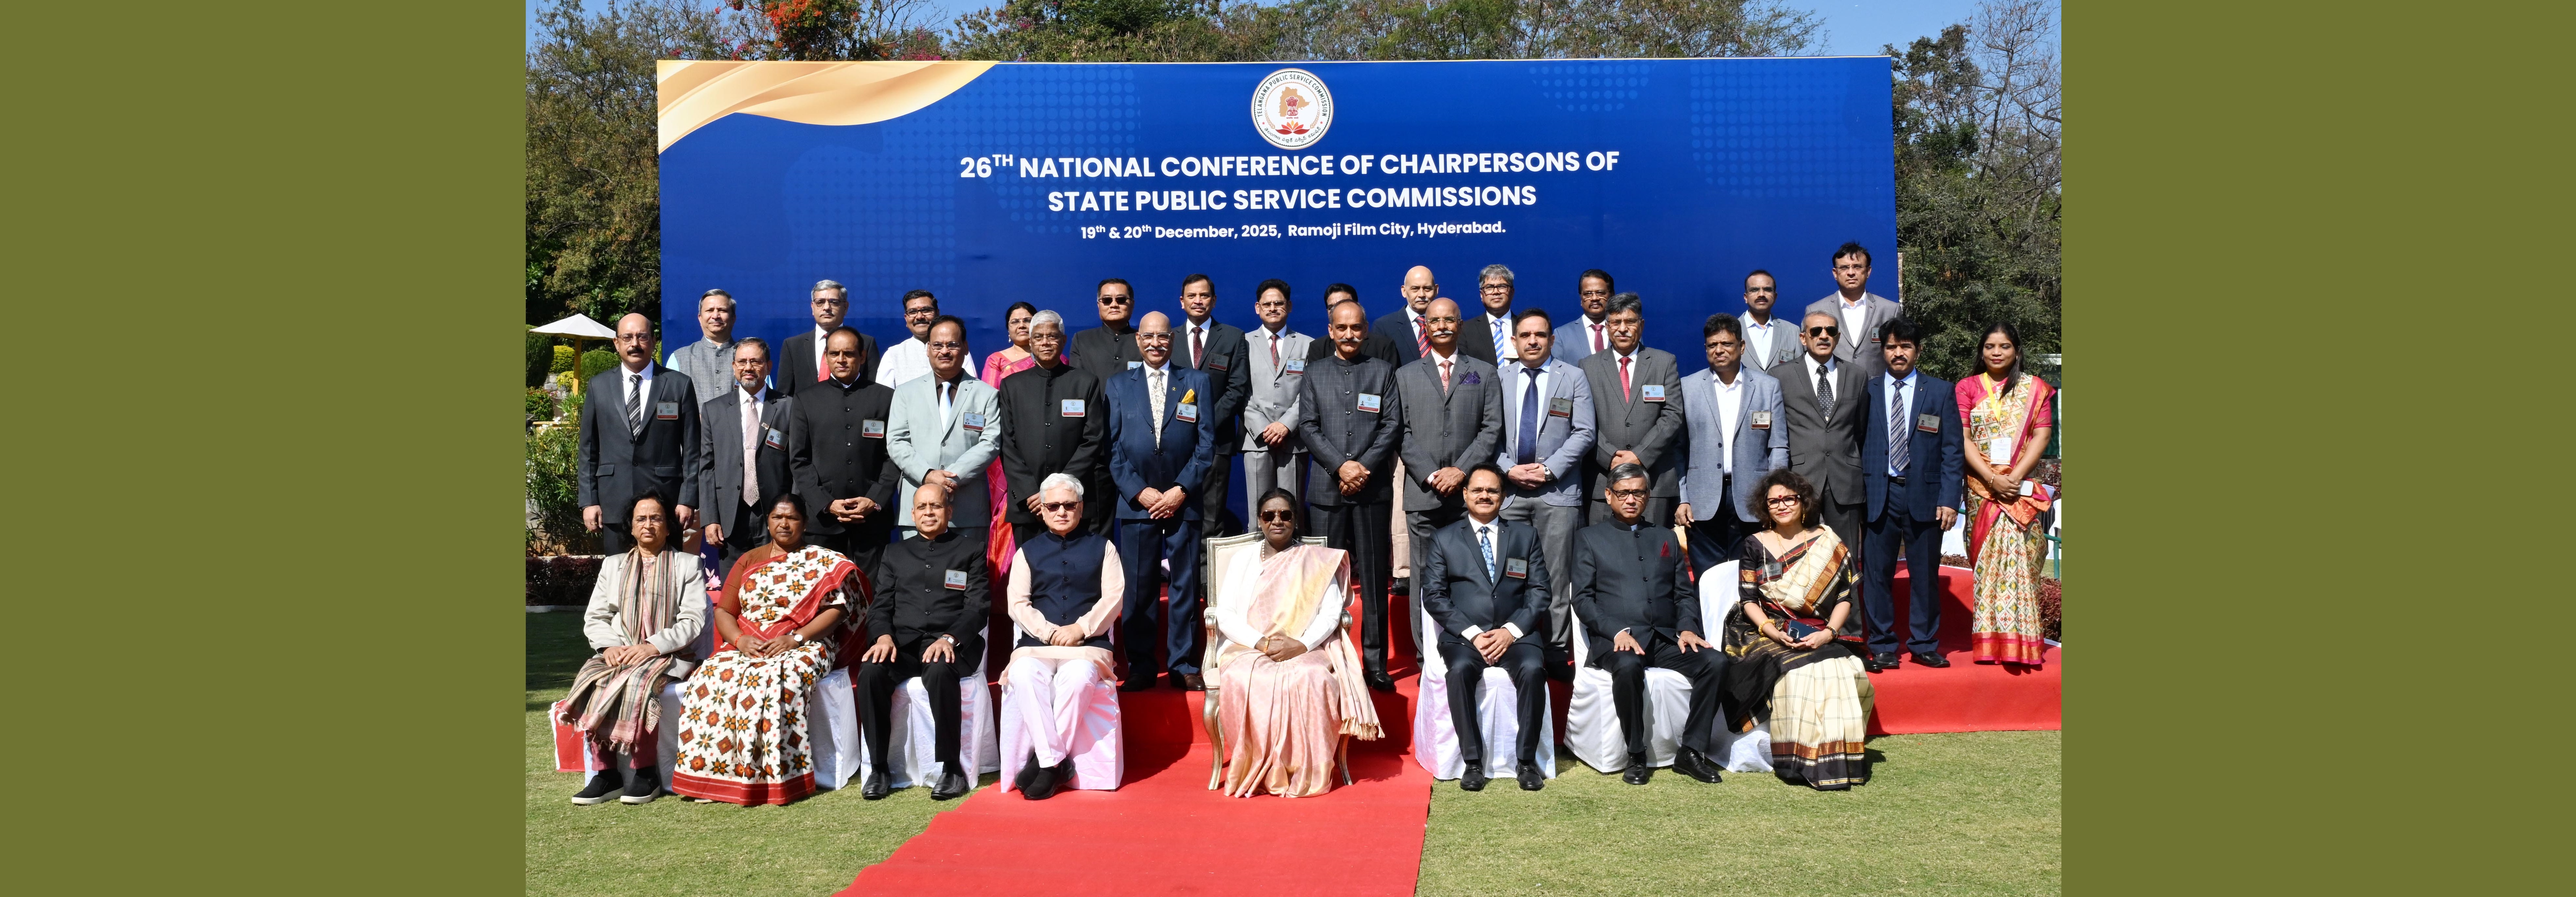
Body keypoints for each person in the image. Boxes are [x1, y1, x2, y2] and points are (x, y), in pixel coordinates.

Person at [671, 493, 857, 806]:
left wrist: (796, 638)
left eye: (792, 518)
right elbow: (724, 611)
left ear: (805, 524)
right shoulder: (749, 559)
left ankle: (771, 776)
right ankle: (712, 775)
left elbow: (839, 609)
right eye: (777, 517)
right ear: (768, 522)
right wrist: (740, 641)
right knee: (710, 678)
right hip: (750, 642)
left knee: (777, 679)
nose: (784, 524)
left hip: (806, 644)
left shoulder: (824, 560)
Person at [1210, 489, 1385, 798]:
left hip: (1306, 645)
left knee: (1312, 678)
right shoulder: (1242, 560)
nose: (1277, 521)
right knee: (1242, 678)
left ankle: (1308, 769)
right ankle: (1257, 766)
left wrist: (1301, 645)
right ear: (1260, 521)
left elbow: (1332, 613)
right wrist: (1261, 642)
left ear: (1295, 520)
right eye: (1269, 515)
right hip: (1250, 647)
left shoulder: (1314, 560)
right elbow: (1224, 614)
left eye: (1285, 515)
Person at [1570, 464, 1729, 786]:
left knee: (1715, 661)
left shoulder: (1664, 536)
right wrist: (1616, 631)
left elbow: (1684, 594)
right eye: (1624, 493)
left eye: (1639, 492)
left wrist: (1687, 627)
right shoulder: (1589, 538)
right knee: (1627, 667)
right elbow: (1582, 599)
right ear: (1609, 496)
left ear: (1647, 495)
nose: (1631, 499)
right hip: (1617, 640)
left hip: (1664, 638)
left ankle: (1692, 751)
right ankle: (1636, 753)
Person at [1724, 468, 1874, 791]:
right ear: (1765, 508)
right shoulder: (1755, 544)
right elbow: (1748, 599)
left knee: (1843, 668)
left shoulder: (1827, 541)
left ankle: (1839, 757)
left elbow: (1846, 597)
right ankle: (1797, 760)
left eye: (1788, 498)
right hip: (1764, 628)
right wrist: (1772, 631)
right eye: (1773, 501)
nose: (1781, 505)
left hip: (1818, 629)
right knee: (1801, 674)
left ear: (1803, 502)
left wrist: (1829, 633)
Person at [561, 493, 709, 806]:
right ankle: (606, 774)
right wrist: (610, 646)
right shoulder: (613, 566)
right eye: (641, 519)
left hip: (668, 654)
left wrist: (652, 646)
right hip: (620, 651)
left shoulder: (688, 564)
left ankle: (645, 772)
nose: (649, 525)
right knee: (595, 677)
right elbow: (596, 616)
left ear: (669, 527)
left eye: (656, 518)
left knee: (639, 682)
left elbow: (693, 619)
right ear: (631, 528)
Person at [1105, 312, 1218, 691]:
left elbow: (1206, 445)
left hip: (1183, 500)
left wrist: (1180, 489)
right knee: (1139, 587)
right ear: (1139, 340)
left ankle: (1184, 662)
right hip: (1137, 503)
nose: (1156, 343)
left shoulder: (1196, 381)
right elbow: (1112, 447)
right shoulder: (1119, 385)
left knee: (1186, 584)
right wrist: (1140, 491)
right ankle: (1140, 663)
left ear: (1173, 339)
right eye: (1148, 337)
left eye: (1163, 337)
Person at [1417, 467, 1549, 793]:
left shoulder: (1525, 536)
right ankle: (1473, 762)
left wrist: (1511, 630)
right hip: (1465, 637)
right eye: (1477, 490)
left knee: (1533, 670)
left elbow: (1540, 591)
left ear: (1503, 496)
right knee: (1460, 671)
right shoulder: (1444, 538)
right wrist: (1474, 633)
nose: (1484, 496)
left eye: (1492, 490)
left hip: (1516, 634)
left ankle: (1527, 761)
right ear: (1465, 494)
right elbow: (1433, 595)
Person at [1295, 298, 1404, 691]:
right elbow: (1308, 426)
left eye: (1356, 328)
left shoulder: (1382, 372)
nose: (1349, 335)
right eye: (1341, 328)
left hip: (1371, 490)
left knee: (1374, 578)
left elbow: (1391, 425)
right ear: (1330, 331)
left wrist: (1361, 468)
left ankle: (1375, 662)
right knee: (1324, 581)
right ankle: (1324, 656)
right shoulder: (1314, 373)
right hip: (1328, 489)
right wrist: (1340, 467)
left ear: (1365, 329)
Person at [855, 481, 988, 801]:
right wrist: (884, 636)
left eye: (936, 506)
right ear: (912, 513)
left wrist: (949, 638)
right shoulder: (896, 552)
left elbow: (977, 606)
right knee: (871, 672)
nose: (929, 512)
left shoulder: (970, 550)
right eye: (923, 507)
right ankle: (879, 767)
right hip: (904, 644)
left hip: (953, 644)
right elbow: (881, 606)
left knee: (941, 670)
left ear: (949, 511)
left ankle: (952, 768)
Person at [999, 474, 1124, 800]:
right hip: (1037, 646)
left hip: (1088, 645)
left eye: (1069, 505)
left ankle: (1043, 765)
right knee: (1023, 675)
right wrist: (1050, 632)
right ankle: (1055, 763)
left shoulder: (1104, 548)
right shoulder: (1027, 552)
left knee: (1080, 679)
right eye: (1053, 506)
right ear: (1041, 509)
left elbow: (1114, 598)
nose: (1062, 511)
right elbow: (1017, 603)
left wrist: (1080, 629)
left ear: (1081, 508)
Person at [1393, 297, 1503, 662]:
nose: (1442, 325)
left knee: (1471, 572)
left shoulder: (1484, 372)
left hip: (1467, 494)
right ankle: (1428, 654)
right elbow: (1400, 431)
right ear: (1424, 326)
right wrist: (1430, 473)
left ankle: (1472, 647)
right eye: (1434, 320)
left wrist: (1461, 471)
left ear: (1460, 324)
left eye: (1449, 320)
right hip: (1423, 493)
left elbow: (1491, 429)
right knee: (1425, 577)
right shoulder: (1405, 374)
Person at [1492, 308, 1594, 679]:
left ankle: (1554, 649)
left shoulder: (1574, 378)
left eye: (1540, 335)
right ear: (1514, 341)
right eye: (1525, 335)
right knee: (1506, 573)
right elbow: (1489, 433)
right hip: (1510, 493)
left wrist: (1548, 469)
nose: (1533, 341)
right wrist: (1508, 468)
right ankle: (1509, 643)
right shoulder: (1499, 377)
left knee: (1555, 575)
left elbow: (1584, 432)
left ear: (1552, 339)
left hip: (1559, 492)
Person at [1860, 318, 1964, 672]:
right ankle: (1883, 644)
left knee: (1924, 574)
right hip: (1879, 493)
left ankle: (1923, 643)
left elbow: (1952, 450)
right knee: (1877, 575)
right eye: (1891, 347)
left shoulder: (1939, 391)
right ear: (1883, 351)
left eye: (1905, 346)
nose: (1898, 353)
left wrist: (1950, 499)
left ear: (1918, 350)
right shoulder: (1868, 389)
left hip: (1926, 495)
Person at [1956, 321, 2056, 668]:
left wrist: (2012, 477)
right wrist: (1991, 478)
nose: (1996, 353)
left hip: (2021, 490)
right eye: (1989, 346)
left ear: (2016, 350)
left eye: (2004, 346)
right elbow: (1963, 437)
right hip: (1982, 490)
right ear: (1981, 351)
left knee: (2024, 565)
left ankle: (2024, 645)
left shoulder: (2036, 388)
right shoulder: (1967, 387)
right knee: (1987, 566)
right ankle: (1990, 646)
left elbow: (2042, 437)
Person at [580, 313, 702, 554]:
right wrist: (589, 501)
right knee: (619, 580)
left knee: (666, 579)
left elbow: (692, 449)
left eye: (642, 337)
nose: (634, 344)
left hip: (665, 503)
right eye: (627, 337)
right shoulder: (599, 386)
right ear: (617, 343)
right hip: (613, 501)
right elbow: (588, 449)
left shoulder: (678, 384)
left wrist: (687, 499)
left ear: (654, 341)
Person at [1677, 314, 1788, 577]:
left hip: (1753, 499)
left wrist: (1774, 495)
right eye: (1712, 345)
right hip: (1703, 500)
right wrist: (1683, 498)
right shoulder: (1687, 388)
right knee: (1706, 579)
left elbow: (1778, 447)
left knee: (1752, 578)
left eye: (1726, 344)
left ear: (1741, 347)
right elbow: (1678, 449)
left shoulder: (1767, 387)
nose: (1719, 350)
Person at [1774, 311, 1870, 603]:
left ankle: (1850, 634)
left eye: (1830, 331)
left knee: (1847, 560)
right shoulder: (1780, 376)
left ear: (1838, 337)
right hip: (1801, 483)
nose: (1823, 336)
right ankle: (1808, 633)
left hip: (1846, 481)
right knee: (1801, 561)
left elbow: (1861, 430)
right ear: (1803, 337)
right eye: (1815, 332)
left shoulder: (1857, 375)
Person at [788, 326, 900, 571]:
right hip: (824, 521)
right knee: (826, 596)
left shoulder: (886, 398)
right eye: (834, 353)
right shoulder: (806, 399)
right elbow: (799, 460)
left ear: (862, 356)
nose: (841, 360)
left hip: (872, 520)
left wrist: (874, 499)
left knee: (872, 595)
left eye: (848, 353)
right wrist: (826, 503)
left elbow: (893, 457)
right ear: (826, 357)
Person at [997, 311, 1112, 540]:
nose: (1046, 342)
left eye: (1052, 336)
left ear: (1063, 340)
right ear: (1030, 343)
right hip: (1028, 503)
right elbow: (1007, 444)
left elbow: (1093, 440)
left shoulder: (1085, 383)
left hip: (1074, 500)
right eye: (1039, 337)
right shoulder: (1011, 386)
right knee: (1032, 571)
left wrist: (1060, 490)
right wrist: (1032, 492)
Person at [888, 315, 1001, 546]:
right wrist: (928, 474)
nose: (945, 351)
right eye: (938, 345)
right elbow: (896, 442)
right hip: (917, 510)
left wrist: (952, 478)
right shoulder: (905, 393)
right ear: (928, 349)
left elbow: (990, 443)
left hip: (966, 509)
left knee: (963, 578)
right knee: (916, 578)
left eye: (952, 344)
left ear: (966, 348)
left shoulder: (987, 394)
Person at [1578, 292, 1685, 526]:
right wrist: (1610, 458)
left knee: (1652, 553)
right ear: (1607, 327)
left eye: (1630, 322)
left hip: (1653, 483)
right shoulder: (1587, 367)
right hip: (1603, 482)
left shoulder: (1664, 362)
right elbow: (1583, 422)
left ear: (1642, 324)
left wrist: (1639, 455)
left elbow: (1673, 415)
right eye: (1616, 322)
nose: (1623, 328)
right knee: (1604, 553)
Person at [697, 336, 793, 579]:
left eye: (755, 361)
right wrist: (710, 518)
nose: (748, 368)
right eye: (742, 362)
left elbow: (797, 464)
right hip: (730, 516)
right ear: (733, 367)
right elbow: (706, 467)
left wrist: (793, 513)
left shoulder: (788, 407)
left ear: (769, 367)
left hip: (774, 512)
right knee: (734, 590)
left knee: (776, 587)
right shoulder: (713, 410)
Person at [1177, 274, 1252, 536]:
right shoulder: (1169, 339)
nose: (1198, 301)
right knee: (1177, 516)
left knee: (1212, 517)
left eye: (1204, 295)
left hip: (1217, 441)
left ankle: (1208, 578)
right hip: (1175, 443)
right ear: (1182, 302)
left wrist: (1205, 423)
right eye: (1192, 296)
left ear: (1214, 300)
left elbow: (1237, 389)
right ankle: (1182, 576)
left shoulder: (1232, 337)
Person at [980, 302, 1047, 582]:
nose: (1021, 325)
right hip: (1008, 450)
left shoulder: (1055, 359)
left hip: (1047, 447)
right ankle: (1003, 586)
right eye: (1015, 321)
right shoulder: (997, 360)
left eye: (1027, 320)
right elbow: (989, 406)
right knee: (1009, 513)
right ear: (1008, 330)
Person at [1241, 279, 1312, 503]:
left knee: (1292, 511)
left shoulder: (1307, 344)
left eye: (1278, 303)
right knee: (1258, 511)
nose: (1272, 308)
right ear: (1257, 308)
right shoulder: (1242, 343)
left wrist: (1286, 425)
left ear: (1289, 306)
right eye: (1267, 304)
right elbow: (1239, 391)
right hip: (1256, 441)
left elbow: (1310, 393)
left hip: (1293, 441)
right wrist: (1263, 428)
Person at [1803, 243, 1902, 382]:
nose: (1851, 273)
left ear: (1868, 271)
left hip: (1876, 391)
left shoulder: (1890, 310)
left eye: (1857, 267)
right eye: (1844, 268)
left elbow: (1898, 353)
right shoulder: (1815, 310)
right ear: (1835, 273)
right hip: (1832, 388)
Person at [779, 279, 881, 396]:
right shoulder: (793, 346)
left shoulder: (866, 343)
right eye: (820, 302)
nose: (827, 307)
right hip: (806, 413)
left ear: (846, 308)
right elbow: (784, 396)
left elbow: (873, 390)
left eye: (834, 302)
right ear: (813, 307)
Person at [879, 289, 977, 389]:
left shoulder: (957, 349)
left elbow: (972, 389)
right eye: (913, 312)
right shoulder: (893, 355)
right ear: (906, 318)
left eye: (926, 310)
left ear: (937, 314)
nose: (920, 317)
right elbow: (884, 398)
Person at [665, 288, 740, 407]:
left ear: (733, 318)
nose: (716, 316)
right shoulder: (679, 358)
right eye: (710, 310)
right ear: (700, 318)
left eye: (722, 310)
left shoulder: (750, 357)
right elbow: (669, 405)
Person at [1306, 284, 1403, 364]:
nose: (1338, 310)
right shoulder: (1318, 348)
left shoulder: (1383, 346)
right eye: (1331, 307)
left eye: (1343, 304)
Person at [1070, 278, 1142, 383]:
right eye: (1107, 300)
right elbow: (1076, 383)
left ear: (1132, 304)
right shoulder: (1082, 340)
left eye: (1121, 300)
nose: (1114, 305)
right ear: (1099, 305)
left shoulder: (1145, 340)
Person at [1369, 265, 1440, 365]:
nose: (1422, 295)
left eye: (1427, 289)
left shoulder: (1447, 325)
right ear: (1404, 291)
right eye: (1415, 289)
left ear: (1436, 290)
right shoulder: (1384, 327)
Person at [1738, 270, 1799, 373]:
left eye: (1767, 290)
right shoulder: (1730, 331)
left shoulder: (1793, 332)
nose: (1761, 294)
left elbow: (1799, 373)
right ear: (1746, 297)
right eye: (1755, 290)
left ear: (1775, 297)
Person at [1552, 269, 1616, 364]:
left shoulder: (1626, 330)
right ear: (1581, 299)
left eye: (1600, 293)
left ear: (1612, 295)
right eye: (1588, 294)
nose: (1595, 298)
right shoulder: (1562, 335)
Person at [1460, 264, 1518, 365]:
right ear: (1482, 295)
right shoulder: (1466, 330)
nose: (1496, 292)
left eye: (1502, 287)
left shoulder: (1524, 326)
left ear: (1512, 293)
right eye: (1490, 288)